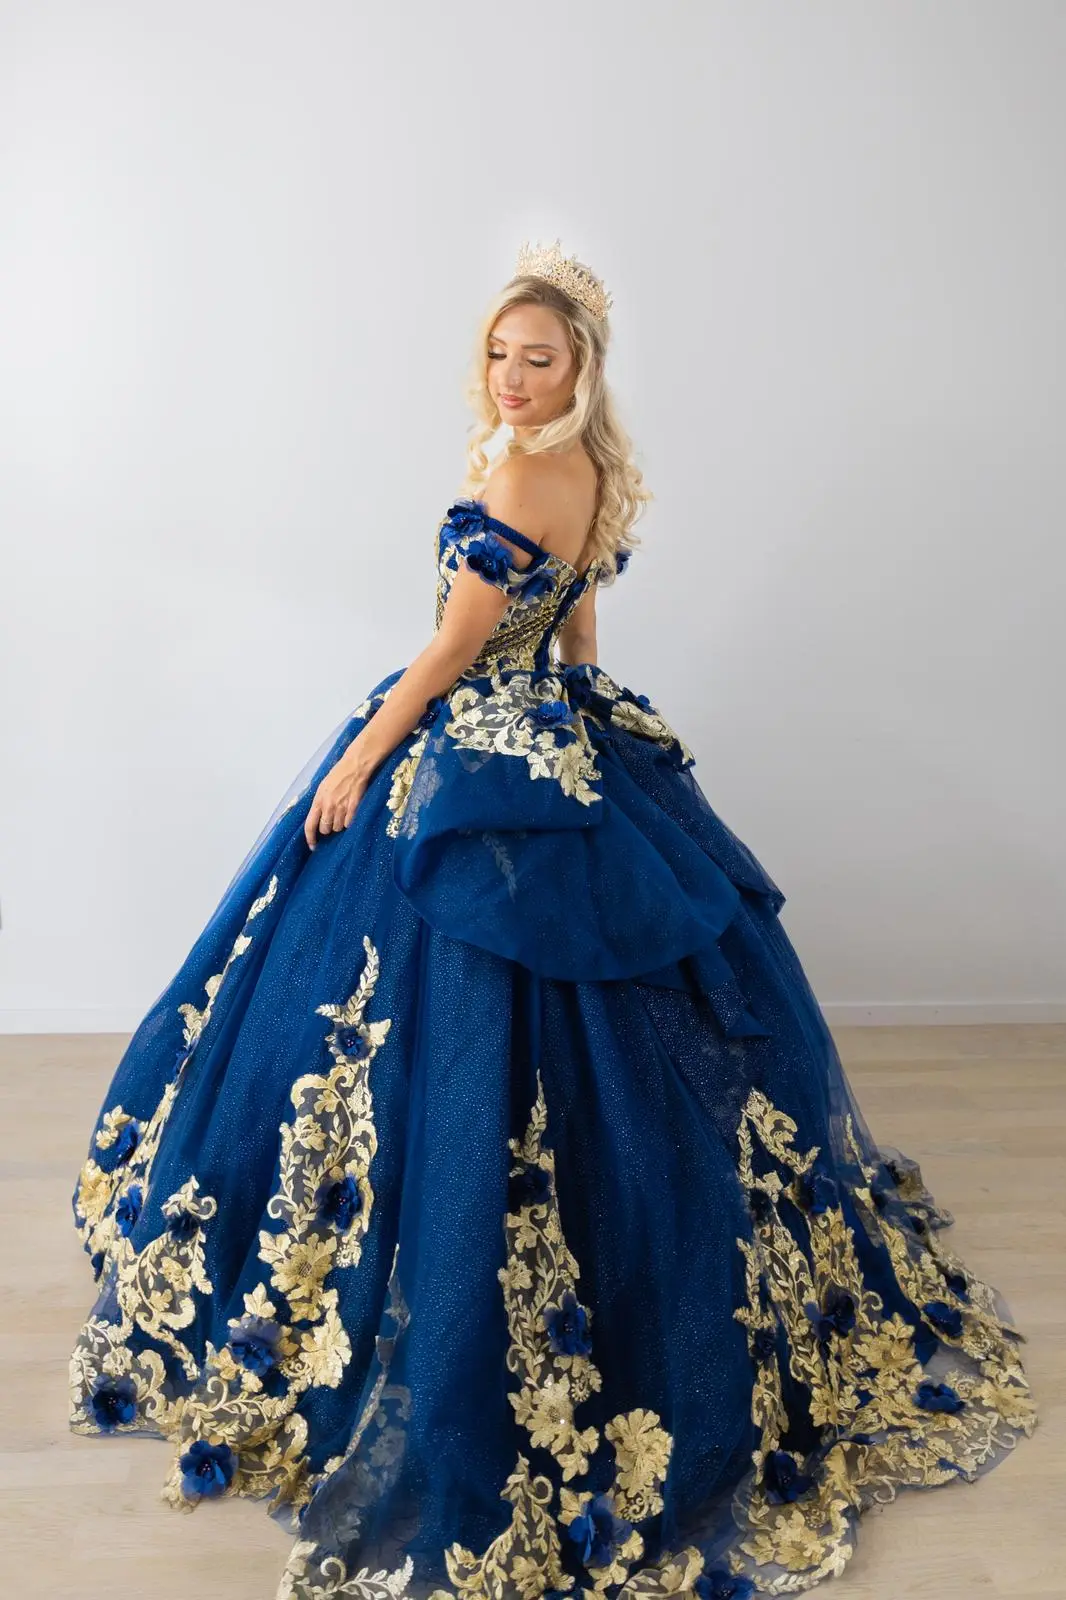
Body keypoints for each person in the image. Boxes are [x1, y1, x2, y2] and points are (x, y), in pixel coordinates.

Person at [69, 240, 1037, 1600]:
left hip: (469, 739)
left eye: (539, 358)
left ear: (580, 368)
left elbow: (454, 647)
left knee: (437, 996)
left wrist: (363, 760)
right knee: (582, 1010)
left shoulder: (522, 475)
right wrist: (588, 720)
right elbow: (576, 628)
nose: (512, 378)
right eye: (498, 354)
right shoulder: (583, 469)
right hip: (545, 735)